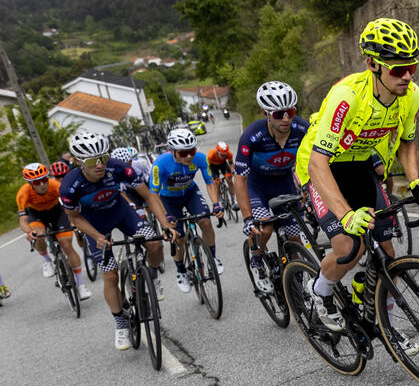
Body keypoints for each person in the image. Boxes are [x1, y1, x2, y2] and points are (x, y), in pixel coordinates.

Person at [293, 18, 419, 334]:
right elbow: (319, 163)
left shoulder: (411, 94)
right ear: (372, 64)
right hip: (321, 166)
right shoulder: (347, 97)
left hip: (358, 163)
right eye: (398, 69)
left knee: (387, 253)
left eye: (412, 66)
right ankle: (321, 292)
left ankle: (381, 318)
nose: (408, 76)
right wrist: (346, 215)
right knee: (349, 247)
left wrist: (414, 178)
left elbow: (407, 139)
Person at [58, 132, 176, 350]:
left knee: (155, 243)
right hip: (94, 224)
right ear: (77, 162)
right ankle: (120, 322)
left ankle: (150, 274)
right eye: (93, 161)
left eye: (103, 158)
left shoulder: (118, 167)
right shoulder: (69, 186)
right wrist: (96, 236)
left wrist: (166, 224)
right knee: (110, 276)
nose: (100, 165)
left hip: (121, 213)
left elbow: (149, 195)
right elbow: (74, 217)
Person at [234, 81, 310, 294]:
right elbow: (239, 179)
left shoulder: (302, 129)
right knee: (264, 227)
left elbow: (315, 162)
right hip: (256, 185)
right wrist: (248, 218)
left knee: (296, 237)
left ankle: (297, 281)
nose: (286, 118)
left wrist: (310, 191)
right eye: (279, 114)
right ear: (265, 113)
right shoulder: (252, 136)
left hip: (283, 183)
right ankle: (257, 260)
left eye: (290, 111)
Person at [151, 127, 225, 292]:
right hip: (167, 200)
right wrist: (164, 219)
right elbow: (153, 195)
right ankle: (181, 271)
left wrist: (215, 204)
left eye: (191, 150)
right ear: (172, 151)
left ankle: (212, 259)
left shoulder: (200, 158)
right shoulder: (160, 165)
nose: (189, 156)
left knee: (205, 221)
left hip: (190, 193)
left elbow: (210, 182)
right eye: (183, 153)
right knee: (178, 237)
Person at [16, 162, 90, 299]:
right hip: (36, 214)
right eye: (37, 182)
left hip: (57, 212)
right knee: (37, 234)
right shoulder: (23, 193)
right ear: (30, 183)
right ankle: (46, 259)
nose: (42, 184)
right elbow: (23, 221)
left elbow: (70, 208)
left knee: (67, 244)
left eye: (44, 179)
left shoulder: (56, 186)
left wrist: (74, 223)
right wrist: (28, 232)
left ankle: (81, 285)